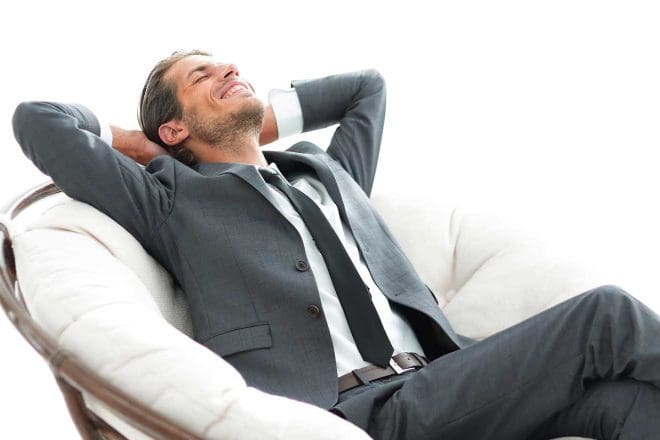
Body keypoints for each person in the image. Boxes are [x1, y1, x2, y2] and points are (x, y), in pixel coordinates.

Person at [12, 49, 660, 440]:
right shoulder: (171, 199)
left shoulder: (330, 174)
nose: (230, 68)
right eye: (202, 75)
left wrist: (247, 123)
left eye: (230, 64)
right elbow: (37, 120)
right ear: (174, 127)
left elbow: (365, 88)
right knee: (604, 315)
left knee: (625, 405)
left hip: (440, 385)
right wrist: (142, 142)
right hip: (347, 413)